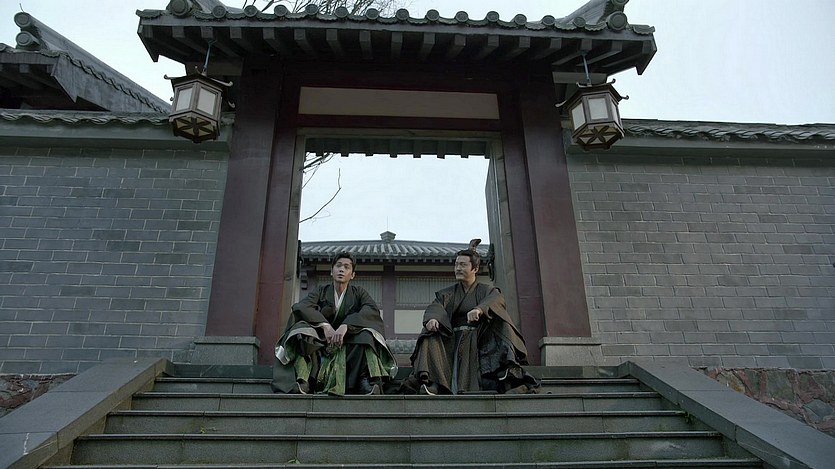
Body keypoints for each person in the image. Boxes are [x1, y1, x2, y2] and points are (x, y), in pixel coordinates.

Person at [408, 239, 539, 395]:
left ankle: (503, 369)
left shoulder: (486, 291)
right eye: (456, 265)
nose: (458, 268)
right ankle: (435, 383)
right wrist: (433, 319)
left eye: (463, 265)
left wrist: (480, 309)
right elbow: (436, 306)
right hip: (451, 339)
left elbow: (496, 300)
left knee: (502, 323)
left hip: (480, 338)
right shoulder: (447, 293)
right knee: (429, 335)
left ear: (475, 269)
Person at [272, 251, 396, 395]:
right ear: (331, 271)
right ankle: (304, 379)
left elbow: (371, 310)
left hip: (349, 341)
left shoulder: (359, 292)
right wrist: (325, 326)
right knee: (301, 329)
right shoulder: (321, 291)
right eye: (338, 266)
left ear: (352, 274)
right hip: (322, 342)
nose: (341, 269)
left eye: (346, 267)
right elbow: (301, 307)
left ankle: (365, 380)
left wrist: (346, 325)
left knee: (368, 335)